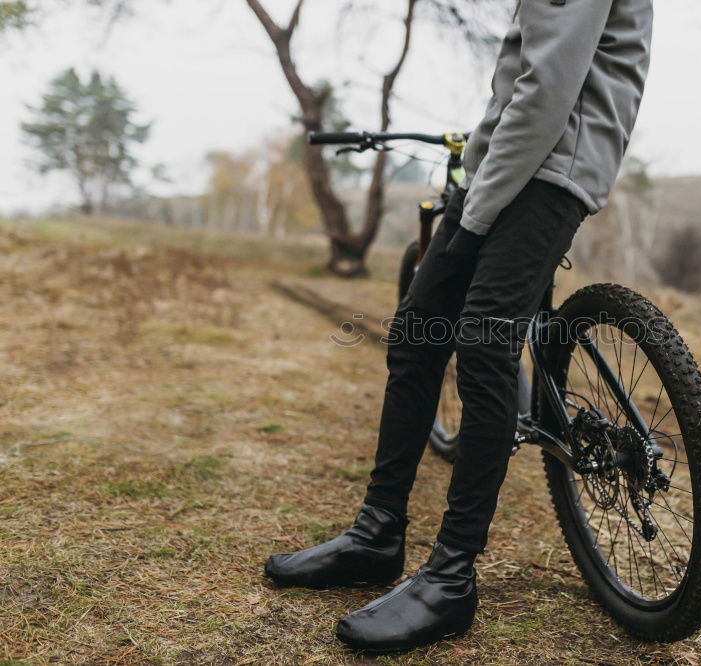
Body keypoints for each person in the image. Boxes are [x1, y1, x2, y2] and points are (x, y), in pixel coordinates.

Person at [264, 0, 654, 652]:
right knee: (417, 331)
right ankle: (377, 533)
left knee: (483, 343)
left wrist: (474, 210)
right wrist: (475, 173)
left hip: (555, 167)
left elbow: (548, 92)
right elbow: (516, 84)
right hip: (517, 158)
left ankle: (451, 576)